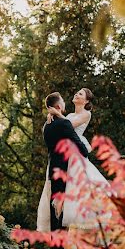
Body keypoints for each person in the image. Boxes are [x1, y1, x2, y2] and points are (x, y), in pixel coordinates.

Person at [37, 88, 111, 239]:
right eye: (77, 93)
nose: (77, 94)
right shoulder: (68, 115)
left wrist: (56, 114)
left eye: (81, 94)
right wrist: (54, 115)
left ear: (86, 101)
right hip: (63, 156)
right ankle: (61, 242)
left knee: (77, 194)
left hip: (76, 156)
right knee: (61, 198)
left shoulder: (86, 114)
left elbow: (69, 127)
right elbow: (63, 126)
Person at [40, 92, 89, 249]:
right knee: (63, 207)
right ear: (59, 107)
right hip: (66, 168)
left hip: (53, 167)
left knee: (56, 207)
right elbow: (81, 149)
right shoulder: (65, 123)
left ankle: (57, 248)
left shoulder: (47, 126)